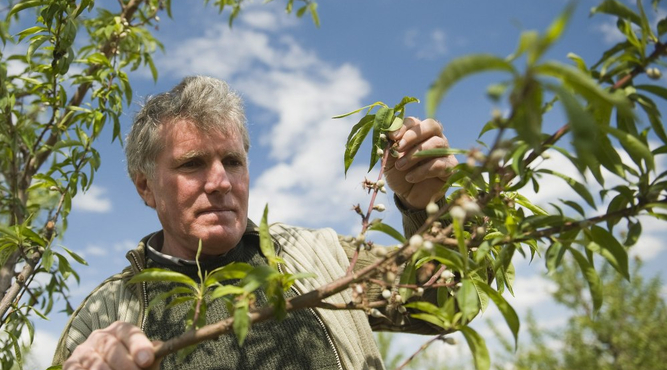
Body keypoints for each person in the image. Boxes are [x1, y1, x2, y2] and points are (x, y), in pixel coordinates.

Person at [53, 76, 457, 370]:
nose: (221, 182)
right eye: (192, 164)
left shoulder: (316, 256)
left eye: (232, 161)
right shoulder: (106, 314)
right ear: (146, 187)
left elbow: (442, 306)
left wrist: (427, 208)